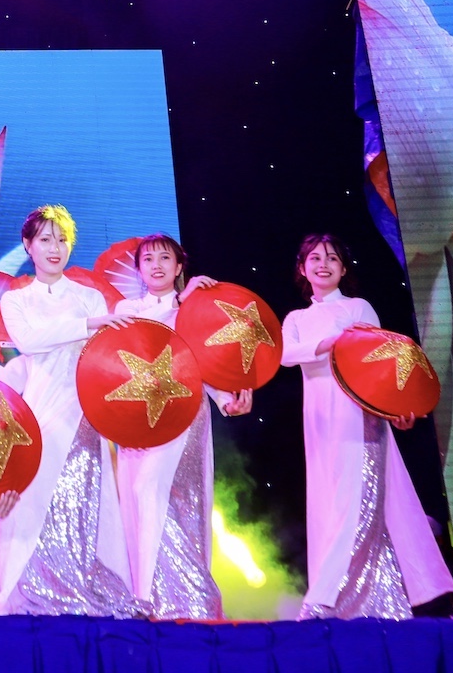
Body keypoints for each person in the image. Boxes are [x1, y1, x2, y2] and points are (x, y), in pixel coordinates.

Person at [0, 205, 143, 617]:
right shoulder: (16, 299)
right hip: (38, 410)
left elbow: (105, 356)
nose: (55, 248)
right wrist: (88, 325)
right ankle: (29, 588)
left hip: (83, 409)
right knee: (33, 497)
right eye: (46, 239)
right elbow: (29, 342)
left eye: (62, 240)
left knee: (83, 499)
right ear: (28, 245)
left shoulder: (89, 297)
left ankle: (85, 585)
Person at [280, 233, 453, 619]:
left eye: (332, 258)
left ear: (343, 269)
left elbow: (382, 363)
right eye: (314, 258)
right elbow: (285, 355)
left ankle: (324, 597)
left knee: (355, 501)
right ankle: (376, 597)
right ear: (302, 269)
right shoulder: (297, 319)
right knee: (331, 506)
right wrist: (327, 343)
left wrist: (396, 409)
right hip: (320, 422)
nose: (323, 264)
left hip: (361, 417)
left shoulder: (358, 308)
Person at [111, 234, 251, 619]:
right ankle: (158, 594)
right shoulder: (128, 308)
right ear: (139, 270)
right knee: (139, 498)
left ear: (178, 267)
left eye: (165, 258)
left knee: (169, 495)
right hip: (137, 414)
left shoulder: (195, 308)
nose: (156, 265)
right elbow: (136, 341)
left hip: (183, 409)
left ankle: (169, 594)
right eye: (148, 259)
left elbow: (205, 360)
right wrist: (182, 301)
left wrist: (225, 400)